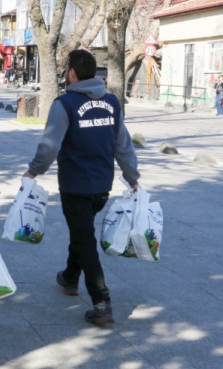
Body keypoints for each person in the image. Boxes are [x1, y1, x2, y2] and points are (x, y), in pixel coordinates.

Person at [22, 49, 140, 326]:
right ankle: (70, 277)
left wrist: (33, 171)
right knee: (82, 231)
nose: (65, 74)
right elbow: (123, 144)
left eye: (66, 70)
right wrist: (132, 176)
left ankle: (101, 301)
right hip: (101, 187)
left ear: (72, 73)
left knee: (84, 238)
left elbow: (50, 145)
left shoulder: (65, 104)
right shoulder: (111, 102)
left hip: (75, 185)